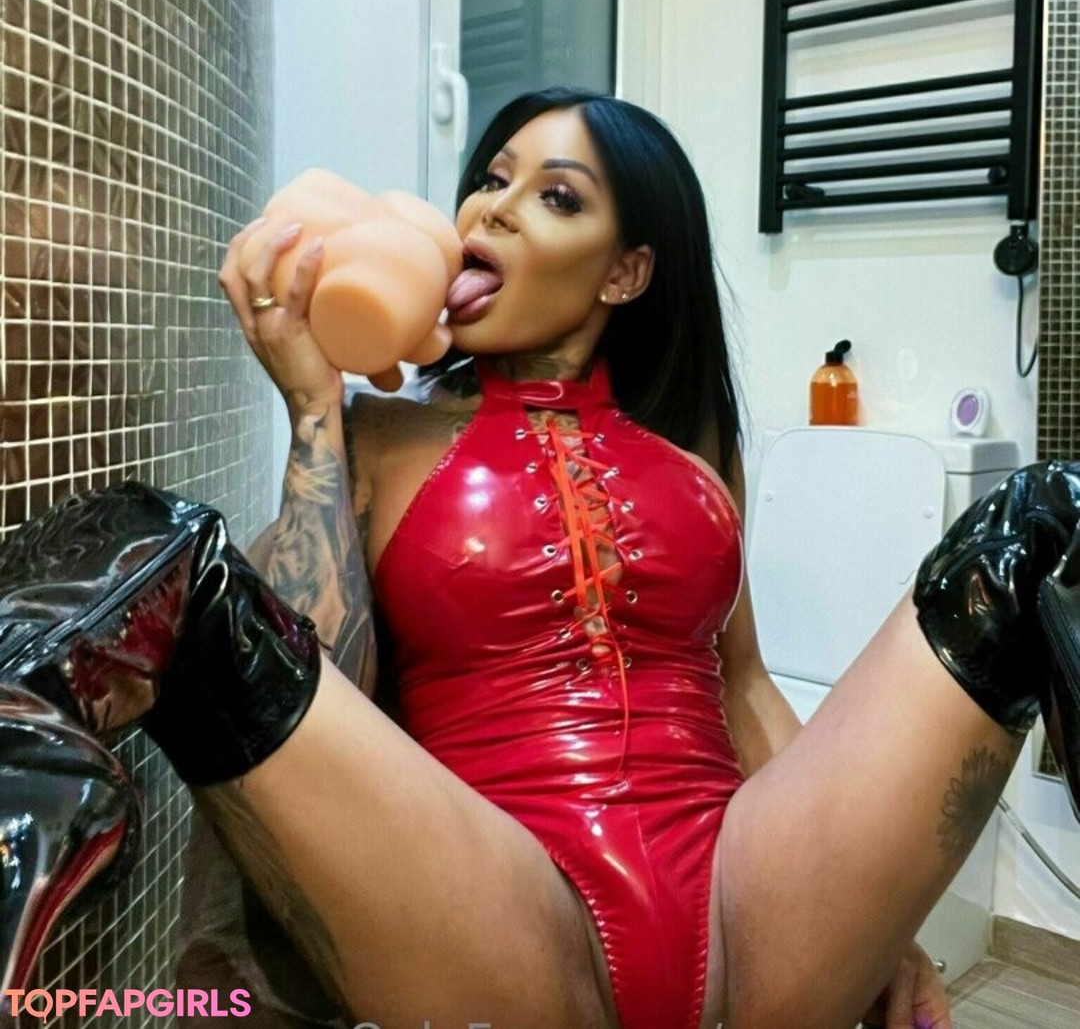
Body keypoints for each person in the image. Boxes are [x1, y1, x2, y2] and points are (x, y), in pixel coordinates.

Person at [0, 87, 1078, 1029]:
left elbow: (744, 684)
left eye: (556, 196)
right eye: (493, 180)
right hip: (506, 922)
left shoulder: (696, 459)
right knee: (160, 549)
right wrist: (315, 412)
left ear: (627, 272)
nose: (495, 208)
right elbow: (302, 691)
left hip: (752, 910)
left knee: (1049, 521)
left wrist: (878, 918)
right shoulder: (376, 435)